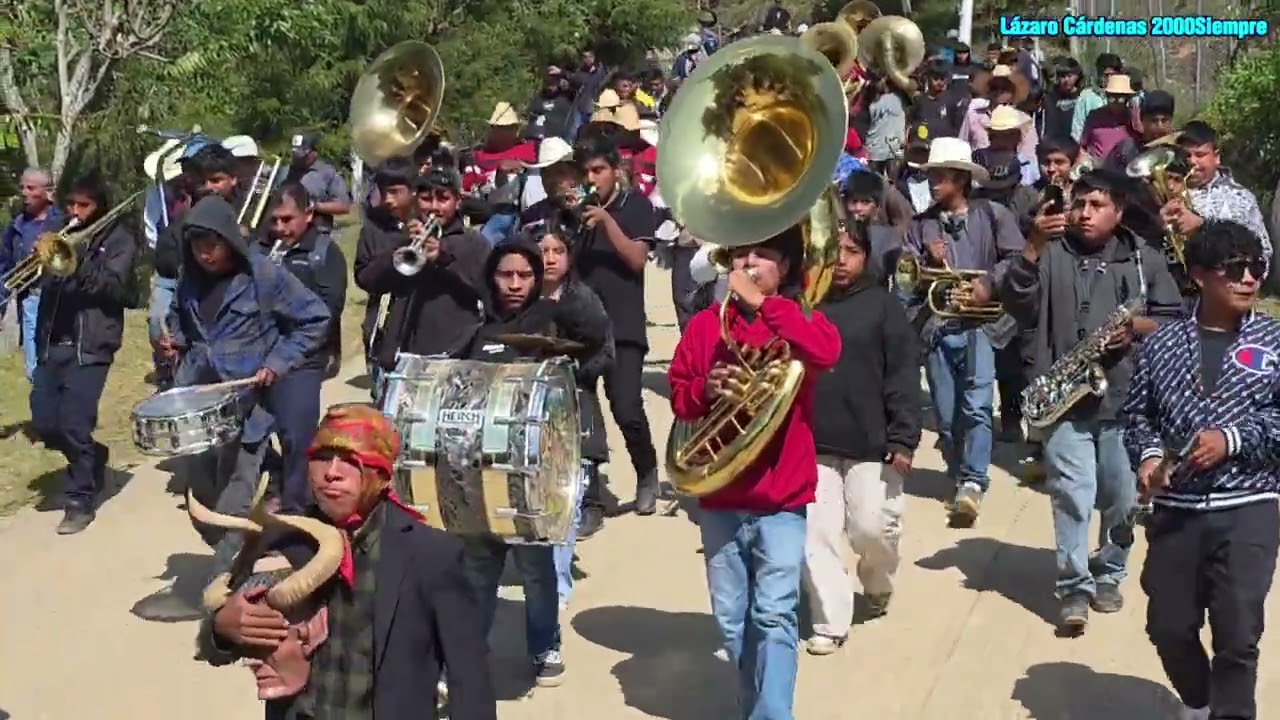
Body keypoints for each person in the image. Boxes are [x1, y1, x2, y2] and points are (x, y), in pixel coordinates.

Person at [198, 404, 498, 719]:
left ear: (380, 474)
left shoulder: (430, 555)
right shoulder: (285, 542)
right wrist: (222, 628)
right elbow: (220, 642)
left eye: (350, 461)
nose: (332, 472)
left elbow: (470, 675)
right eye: (322, 458)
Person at [668, 228, 841, 719]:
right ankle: (755, 705)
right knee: (731, 620)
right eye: (740, 254)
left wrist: (766, 306)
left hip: (781, 497)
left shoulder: (798, 318)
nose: (747, 264)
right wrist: (708, 388)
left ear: (783, 268)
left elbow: (827, 352)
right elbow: (680, 396)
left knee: (774, 613)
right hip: (721, 494)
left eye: (762, 256)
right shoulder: (705, 326)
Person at [1003, 169, 1182, 633]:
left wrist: (1135, 329)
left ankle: (1110, 572)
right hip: (1065, 400)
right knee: (1071, 497)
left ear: (1119, 211)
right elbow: (1016, 302)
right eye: (1079, 203)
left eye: (1096, 205)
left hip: (1126, 400)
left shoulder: (1143, 261)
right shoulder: (1048, 253)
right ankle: (1075, 588)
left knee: (1122, 500)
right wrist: (1032, 247)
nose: (1084, 213)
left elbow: (1174, 321)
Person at [1123, 219, 1280, 720]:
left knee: (1238, 634)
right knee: (1168, 626)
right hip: (1177, 509)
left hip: (1250, 504)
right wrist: (1149, 458)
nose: (1249, 279)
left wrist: (1233, 439)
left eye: (1256, 268)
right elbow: (1137, 416)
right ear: (1198, 275)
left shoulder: (1275, 341)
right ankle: (1198, 701)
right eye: (1234, 269)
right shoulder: (1161, 344)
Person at [460, 236, 610, 687]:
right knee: (479, 568)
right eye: (505, 274)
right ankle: (467, 651)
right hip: (485, 467)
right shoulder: (477, 328)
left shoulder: (557, 319)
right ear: (492, 277)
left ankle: (545, 646)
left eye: (525, 275)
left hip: (539, 470)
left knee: (536, 570)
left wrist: (560, 292)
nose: (514, 283)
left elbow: (597, 336)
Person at [157, 195, 331, 575]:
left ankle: (225, 585)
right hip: (200, 407)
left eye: (212, 244)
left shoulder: (263, 276)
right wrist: (175, 340)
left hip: (248, 407)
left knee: (232, 502)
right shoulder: (190, 280)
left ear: (229, 240)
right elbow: (183, 323)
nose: (205, 253)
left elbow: (315, 318)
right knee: (200, 501)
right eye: (196, 245)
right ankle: (259, 532)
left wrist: (277, 361)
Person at [803, 223, 920, 654]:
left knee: (871, 529)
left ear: (866, 256)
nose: (840, 260)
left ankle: (878, 581)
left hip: (872, 443)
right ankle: (830, 622)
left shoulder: (883, 306)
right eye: (833, 251)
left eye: (851, 251)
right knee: (817, 533)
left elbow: (902, 373)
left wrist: (903, 437)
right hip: (814, 444)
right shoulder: (806, 304)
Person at [902, 137, 1026, 527]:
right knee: (944, 413)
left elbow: (1016, 259)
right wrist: (926, 260)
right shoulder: (920, 225)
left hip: (980, 325)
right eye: (932, 176)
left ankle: (973, 480)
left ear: (960, 179)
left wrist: (987, 283)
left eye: (940, 176)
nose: (933, 183)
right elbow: (905, 280)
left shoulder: (993, 215)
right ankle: (958, 471)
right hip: (937, 327)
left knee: (976, 406)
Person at [26, 177, 137, 535]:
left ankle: (79, 500)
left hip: (90, 345)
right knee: (44, 424)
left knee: (74, 424)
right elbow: (36, 280)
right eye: (71, 204)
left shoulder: (118, 239)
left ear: (100, 206)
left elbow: (117, 289)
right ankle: (92, 456)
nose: (75, 212)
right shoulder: (58, 230)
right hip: (50, 342)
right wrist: (37, 260)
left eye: (84, 205)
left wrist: (76, 264)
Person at [572, 135, 661, 514]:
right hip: (581, 328)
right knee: (582, 412)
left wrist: (607, 221)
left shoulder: (635, 206)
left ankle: (646, 471)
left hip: (623, 325)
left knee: (625, 407)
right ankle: (590, 497)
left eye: (599, 170)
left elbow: (637, 260)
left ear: (615, 171)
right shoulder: (576, 209)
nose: (592, 178)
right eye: (586, 171)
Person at [254, 183, 348, 513]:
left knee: (296, 434)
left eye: (287, 219)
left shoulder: (325, 253)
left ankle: (298, 513)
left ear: (309, 214)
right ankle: (276, 482)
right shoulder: (260, 250)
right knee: (250, 430)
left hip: (304, 357)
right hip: (260, 356)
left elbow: (328, 309)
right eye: (274, 220)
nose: (280, 228)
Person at [356, 166, 489, 372]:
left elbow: (485, 288)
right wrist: (400, 247)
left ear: (458, 201)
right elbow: (366, 279)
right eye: (426, 199)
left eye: (443, 199)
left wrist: (444, 259)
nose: (433, 207)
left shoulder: (472, 242)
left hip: (452, 354)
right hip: (400, 355)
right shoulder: (400, 238)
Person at [536, 226, 614, 541]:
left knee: (583, 432)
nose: (550, 259)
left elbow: (605, 348)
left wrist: (579, 372)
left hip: (575, 380)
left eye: (558, 252)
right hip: (536, 382)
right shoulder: (525, 295)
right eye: (543, 252)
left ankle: (591, 502)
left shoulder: (582, 297)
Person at [1162, 121, 1272, 268]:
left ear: (1217, 157)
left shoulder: (1241, 198)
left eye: (1200, 155)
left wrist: (1203, 225)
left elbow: (1262, 252)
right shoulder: (1161, 193)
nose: (1192, 162)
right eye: (1186, 156)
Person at [0, 167, 62, 381]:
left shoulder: (63, 222)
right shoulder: (16, 227)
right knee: (34, 372)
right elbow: (5, 269)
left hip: (60, 303)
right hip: (31, 300)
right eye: (22, 188)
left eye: (31, 188)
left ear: (48, 192)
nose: (24, 193)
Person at [284, 133, 352, 231]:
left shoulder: (327, 172)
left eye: (303, 155)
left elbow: (344, 206)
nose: (298, 158)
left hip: (317, 232)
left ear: (314, 152)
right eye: (295, 154)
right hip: (287, 231)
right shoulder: (286, 171)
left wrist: (314, 205)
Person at [1103, 90, 1174, 173]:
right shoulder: (1126, 150)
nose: (1160, 126)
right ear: (1142, 120)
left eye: (1164, 120)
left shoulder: (1179, 150)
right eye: (1154, 121)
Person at [1079, 74, 1140, 162]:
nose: (1116, 101)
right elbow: (1083, 146)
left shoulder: (1132, 117)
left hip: (1124, 168)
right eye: (1112, 97)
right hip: (1097, 168)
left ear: (1127, 98)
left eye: (1121, 98)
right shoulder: (1095, 116)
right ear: (1107, 96)